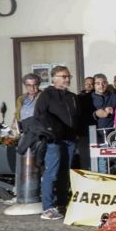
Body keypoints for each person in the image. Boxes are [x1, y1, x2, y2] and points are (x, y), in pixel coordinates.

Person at [33, 66, 80, 220]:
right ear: (54, 78)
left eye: (69, 76)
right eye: (63, 76)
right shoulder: (46, 95)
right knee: (51, 173)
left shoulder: (72, 96)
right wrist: (50, 133)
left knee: (64, 174)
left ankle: (61, 203)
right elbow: (39, 115)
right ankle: (48, 208)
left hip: (70, 140)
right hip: (54, 140)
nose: (67, 79)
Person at [91, 74, 116, 173]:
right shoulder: (89, 98)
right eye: (98, 83)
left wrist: (114, 111)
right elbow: (84, 115)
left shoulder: (114, 97)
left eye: (103, 83)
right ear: (93, 85)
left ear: (107, 83)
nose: (101, 85)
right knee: (101, 160)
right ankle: (102, 184)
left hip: (113, 134)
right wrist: (95, 114)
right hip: (95, 135)